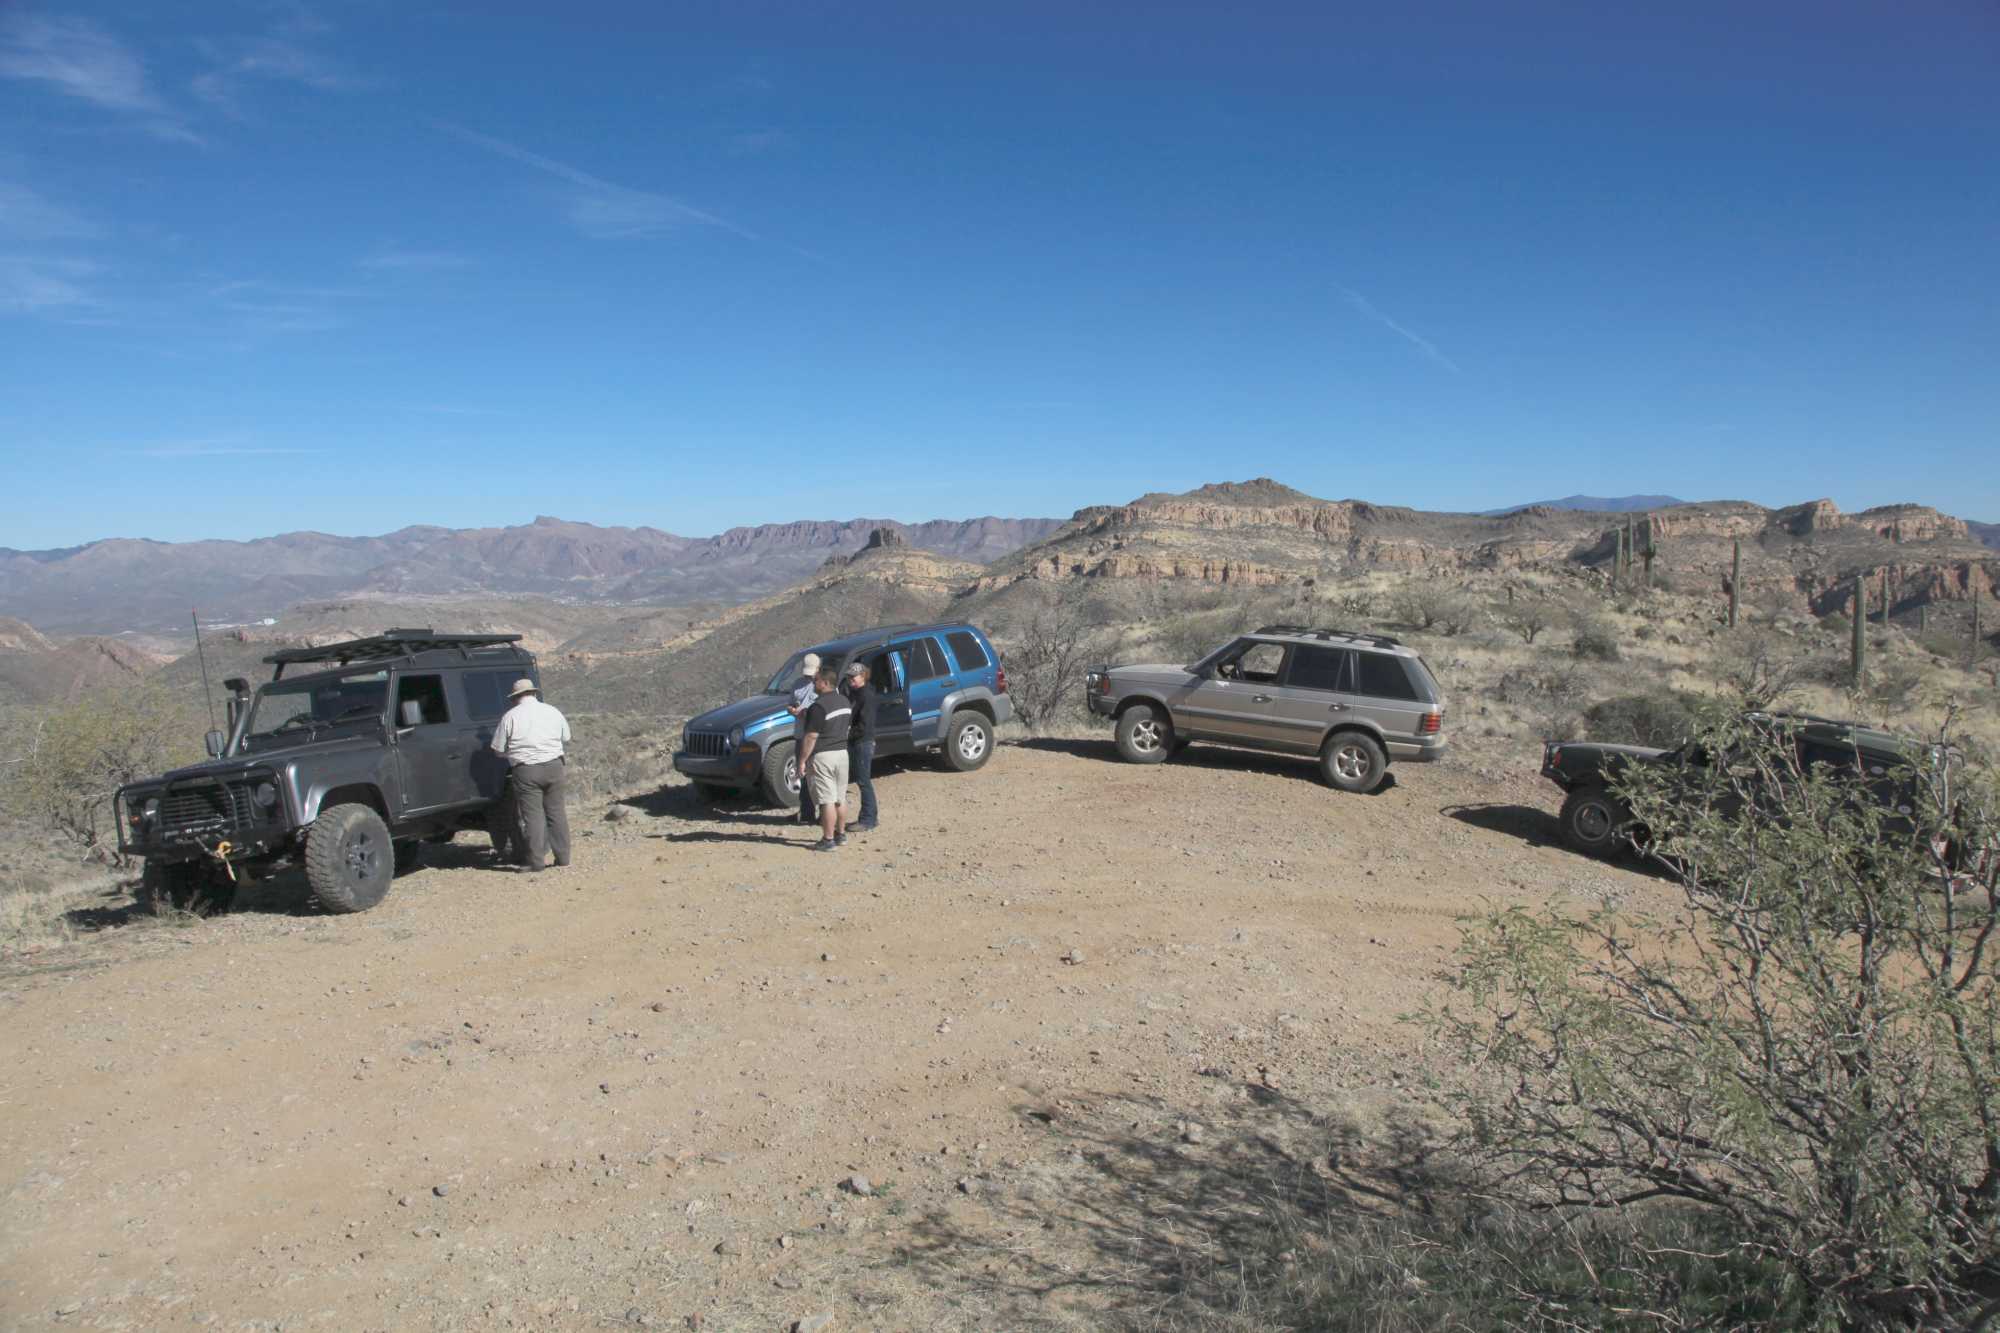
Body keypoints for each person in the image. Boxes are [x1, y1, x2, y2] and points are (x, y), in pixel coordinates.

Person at [489, 678, 571, 873]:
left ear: (516, 697)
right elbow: (566, 737)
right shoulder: (552, 711)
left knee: (533, 816)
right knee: (556, 812)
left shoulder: (510, 716)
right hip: (554, 766)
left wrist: (512, 754)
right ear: (534, 693)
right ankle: (563, 858)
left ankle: (536, 862)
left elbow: (498, 749)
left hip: (526, 770)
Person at [794, 668, 851, 852]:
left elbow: (811, 736)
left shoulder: (818, 707)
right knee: (840, 797)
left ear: (825, 683)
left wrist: (802, 760)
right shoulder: (845, 701)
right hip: (842, 753)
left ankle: (828, 840)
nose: (813, 683)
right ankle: (841, 834)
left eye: (816, 680)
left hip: (823, 756)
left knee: (827, 800)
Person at [843, 660, 879, 832]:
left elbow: (864, 725)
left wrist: (847, 735)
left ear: (863, 676)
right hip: (857, 741)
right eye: (849, 677)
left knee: (863, 781)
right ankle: (870, 817)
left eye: (854, 676)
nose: (851, 679)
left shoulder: (866, 695)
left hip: (863, 742)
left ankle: (868, 819)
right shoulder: (855, 693)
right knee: (862, 780)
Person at [787, 652, 821, 825]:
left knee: (819, 775)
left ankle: (824, 812)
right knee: (802, 773)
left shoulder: (823, 685)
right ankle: (807, 811)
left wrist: (808, 713)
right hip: (801, 733)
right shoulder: (797, 684)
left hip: (817, 736)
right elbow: (790, 703)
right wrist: (792, 710)